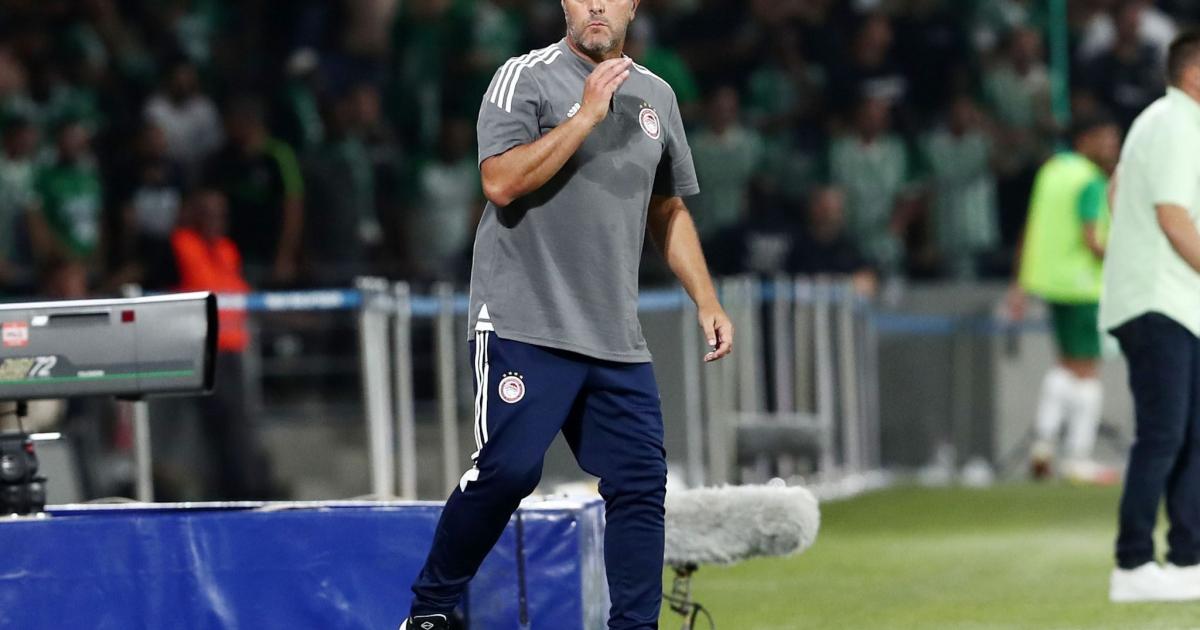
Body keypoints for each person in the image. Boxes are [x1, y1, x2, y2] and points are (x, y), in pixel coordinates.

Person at [400, 0, 734, 628]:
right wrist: (584, 118)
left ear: (633, 5)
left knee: (641, 483)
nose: (597, 5)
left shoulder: (658, 96)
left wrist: (706, 299)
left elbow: (667, 209)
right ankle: (430, 612)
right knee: (507, 471)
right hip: (524, 321)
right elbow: (499, 183)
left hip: (614, 335)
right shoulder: (523, 77)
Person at [1100, 31, 1200, 603]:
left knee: (1188, 435)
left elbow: (1119, 192)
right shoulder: (1180, 125)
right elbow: (1172, 216)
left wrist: (1135, 253)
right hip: (1161, 302)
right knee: (1165, 434)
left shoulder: (1158, 121)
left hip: (1168, 299)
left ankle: (1188, 560)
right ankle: (1133, 563)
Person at [1009, 113, 1122, 484]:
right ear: (1085, 140)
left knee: (1065, 366)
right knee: (1087, 371)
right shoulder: (1090, 180)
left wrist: (1019, 282)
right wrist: (1130, 257)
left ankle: (1043, 445)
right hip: (1083, 286)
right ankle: (1077, 456)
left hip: (1051, 283)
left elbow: (1031, 226)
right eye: (1106, 139)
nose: (1112, 147)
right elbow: (1093, 241)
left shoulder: (1052, 172)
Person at [170, 188, 275, 500]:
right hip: (201, 349)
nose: (215, 220)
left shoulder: (228, 250)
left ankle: (248, 485)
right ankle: (234, 488)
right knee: (222, 420)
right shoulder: (181, 245)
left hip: (234, 347)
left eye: (220, 214)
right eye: (208, 213)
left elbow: (238, 291)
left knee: (241, 419)